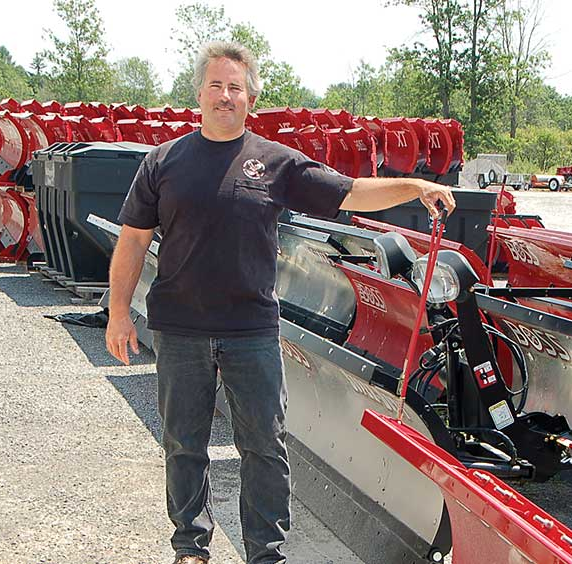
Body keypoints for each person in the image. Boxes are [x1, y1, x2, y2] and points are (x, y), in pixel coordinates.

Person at [105, 40, 456, 564]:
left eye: (236, 88)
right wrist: (117, 314)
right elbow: (132, 240)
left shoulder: (276, 164)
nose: (226, 95)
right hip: (181, 329)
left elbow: (351, 191)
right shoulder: (163, 163)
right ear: (199, 93)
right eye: (217, 85)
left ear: (251, 99)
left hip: (252, 334)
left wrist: (415, 186)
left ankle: (266, 554)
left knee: (265, 448)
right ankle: (190, 549)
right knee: (184, 444)